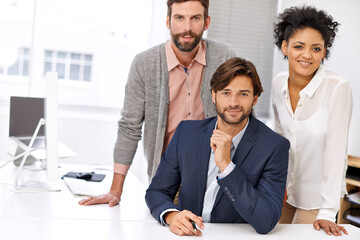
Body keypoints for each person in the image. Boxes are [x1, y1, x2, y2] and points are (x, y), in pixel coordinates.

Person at [79, 0, 236, 207]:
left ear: (206, 22)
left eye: (195, 18)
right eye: (179, 18)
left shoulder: (224, 57)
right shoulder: (144, 64)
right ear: (168, 21)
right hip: (167, 179)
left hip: (215, 175)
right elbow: (129, 127)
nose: (186, 28)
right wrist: (115, 190)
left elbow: (239, 116)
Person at [145, 57, 290, 236]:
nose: (233, 103)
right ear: (214, 95)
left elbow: (266, 220)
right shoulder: (187, 133)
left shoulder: (274, 147)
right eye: (225, 92)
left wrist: (227, 167)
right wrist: (172, 216)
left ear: (255, 98)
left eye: (243, 94)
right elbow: (157, 191)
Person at [272, 6, 352, 236]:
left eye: (316, 49)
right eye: (298, 46)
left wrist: (327, 212)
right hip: (284, 191)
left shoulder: (338, 88)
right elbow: (279, 139)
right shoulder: (278, 83)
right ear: (285, 47)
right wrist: (274, 185)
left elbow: (336, 154)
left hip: (318, 199)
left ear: (323, 52)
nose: (307, 55)